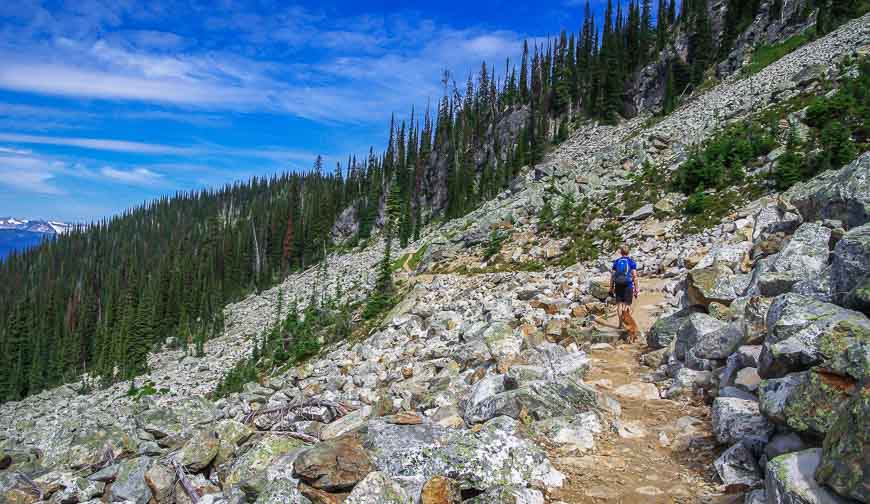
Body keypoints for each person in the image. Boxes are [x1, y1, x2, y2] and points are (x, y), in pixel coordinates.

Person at [609, 245, 639, 337]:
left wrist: (611, 287)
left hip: (618, 285)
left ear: (621, 253)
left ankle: (620, 324)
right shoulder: (631, 262)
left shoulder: (616, 262)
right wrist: (636, 288)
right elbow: (634, 276)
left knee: (619, 304)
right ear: (628, 252)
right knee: (627, 304)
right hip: (628, 285)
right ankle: (628, 324)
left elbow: (613, 276)